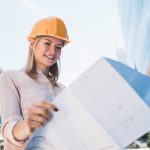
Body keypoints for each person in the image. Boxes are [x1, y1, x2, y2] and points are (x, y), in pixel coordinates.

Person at [0, 16, 70, 150]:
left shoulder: (63, 90)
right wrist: (27, 125)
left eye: (59, 47)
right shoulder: (11, 77)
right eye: (47, 43)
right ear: (32, 42)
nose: (53, 51)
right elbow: (9, 126)